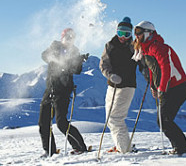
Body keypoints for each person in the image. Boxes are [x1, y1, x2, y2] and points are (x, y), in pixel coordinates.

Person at [132, 21, 186, 155]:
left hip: (177, 88)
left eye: (139, 32)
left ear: (148, 33)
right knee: (164, 120)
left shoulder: (158, 47)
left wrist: (162, 88)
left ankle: (182, 149)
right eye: (135, 33)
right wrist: (154, 86)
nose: (136, 36)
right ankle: (180, 148)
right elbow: (154, 70)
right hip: (169, 88)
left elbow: (166, 68)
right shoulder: (147, 48)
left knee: (164, 120)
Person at [38, 28, 89, 157]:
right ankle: (49, 151)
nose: (69, 40)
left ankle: (80, 147)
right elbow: (44, 55)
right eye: (67, 37)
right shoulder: (54, 46)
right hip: (50, 89)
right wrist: (54, 56)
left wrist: (78, 61)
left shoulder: (74, 52)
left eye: (72, 38)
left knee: (61, 122)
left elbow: (76, 70)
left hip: (63, 91)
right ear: (62, 38)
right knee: (44, 122)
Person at [99, 17, 138, 153]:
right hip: (112, 85)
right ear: (116, 32)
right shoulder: (110, 45)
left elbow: (144, 63)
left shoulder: (134, 46)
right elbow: (103, 64)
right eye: (120, 33)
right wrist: (110, 75)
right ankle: (122, 144)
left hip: (127, 86)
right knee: (109, 118)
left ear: (130, 34)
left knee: (115, 118)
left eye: (126, 34)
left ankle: (124, 149)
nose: (123, 37)